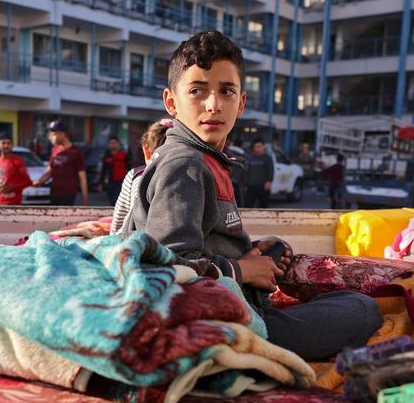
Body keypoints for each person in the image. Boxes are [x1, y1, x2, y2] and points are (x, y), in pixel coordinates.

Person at [122, 30, 381, 360]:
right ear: (172, 102)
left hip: (235, 304)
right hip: (226, 323)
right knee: (363, 308)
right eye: (197, 91)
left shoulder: (207, 159)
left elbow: (206, 239)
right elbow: (168, 267)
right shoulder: (184, 165)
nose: (213, 104)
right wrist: (242, 271)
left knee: (341, 300)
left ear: (241, 101)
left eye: (226, 91)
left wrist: (253, 252)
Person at [110, 118, 171, 235]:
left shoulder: (136, 175)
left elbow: (118, 219)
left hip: (133, 242)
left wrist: (112, 238)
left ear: (146, 150)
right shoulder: (192, 174)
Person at [32, 120, 89, 206]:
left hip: (68, 195)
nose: (50, 137)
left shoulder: (76, 152)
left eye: (53, 134)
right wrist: (39, 181)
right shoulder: (55, 149)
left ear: (62, 134)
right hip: (54, 193)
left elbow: (82, 177)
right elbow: (49, 171)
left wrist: (85, 200)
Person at [0, 132, 32, 206]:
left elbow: (28, 182)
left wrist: (12, 187)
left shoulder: (18, 162)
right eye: (3, 143)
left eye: (9, 143)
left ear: (12, 145)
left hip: (14, 203)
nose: (6, 145)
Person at [99, 136, 129, 206]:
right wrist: (100, 183)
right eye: (111, 143)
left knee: (117, 201)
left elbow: (129, 168)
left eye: (114, 143)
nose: (113, 144)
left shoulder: (124, 155)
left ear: (118, 144)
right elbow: (104, 170)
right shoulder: (107, 156)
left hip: (121, 182)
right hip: (110, 182)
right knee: (111, 200)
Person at [244, 138, 274, 208]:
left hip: (263, 186)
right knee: (248, 206)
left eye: (259, 147)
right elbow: (246, 171)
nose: (257, 149)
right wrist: (245, 184)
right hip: (251, 186)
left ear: (263, 147)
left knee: (264, 207)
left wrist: (269, 181)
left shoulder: (268, 158)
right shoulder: (250, 158)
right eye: (255, 147)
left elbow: (271, 170)